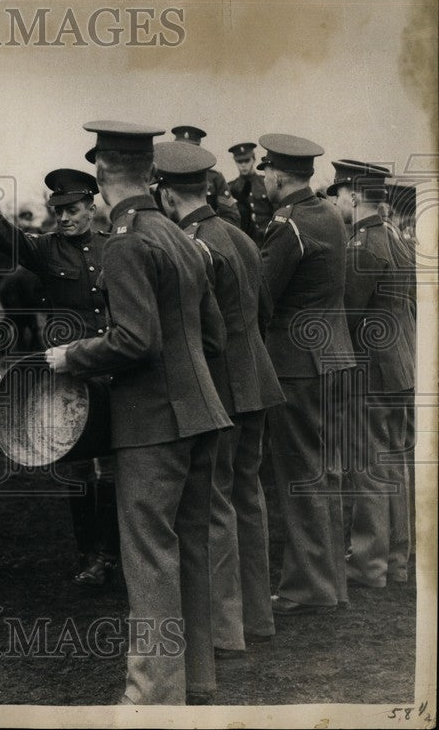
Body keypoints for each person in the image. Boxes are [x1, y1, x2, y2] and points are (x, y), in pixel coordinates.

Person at [46, 121, 231, 705]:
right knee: (190, 550)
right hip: (203, 412)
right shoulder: (179, 235)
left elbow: (134, 341)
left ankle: (152, 695)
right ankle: (194, 679)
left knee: (149, 558)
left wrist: (69, 356)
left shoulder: (125, 241)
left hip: (153, 423)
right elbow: (215, 337)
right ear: (149, 172)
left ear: (101, 174)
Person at [154, 142, 285, 658]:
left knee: (214, 505)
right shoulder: (239, 234)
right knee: (248, 499)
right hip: (256, 380)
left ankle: (226, 630)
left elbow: (198, 332)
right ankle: (258, 617)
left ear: (165, 193)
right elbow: (265, 310)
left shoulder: (192, 245)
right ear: (206, 185)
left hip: (222, 387)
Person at [0, 168, 120, 587]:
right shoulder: (45, 251)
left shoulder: (115, 248)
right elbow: (0, 232)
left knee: (118, 467)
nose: (65, 217)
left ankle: (116, 552)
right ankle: (90, 556)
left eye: (73, 209)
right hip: (71, 377)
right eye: (58, 210)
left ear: (92, 207)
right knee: (78, 468)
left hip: (116, 371)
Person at [257, 134, 355, 615]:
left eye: (266, 173)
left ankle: (308, 587)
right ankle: (330, 581)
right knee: (326, 474)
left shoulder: (288, 224)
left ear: (277, 173)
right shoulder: (329, 213)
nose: (265, 182)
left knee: (300, 476)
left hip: (297, 364)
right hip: (335, 356)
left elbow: (262, 295)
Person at [329, 160, 415, 588]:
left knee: (369, 466)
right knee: (395, 464)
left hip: (373, 372)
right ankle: (396, 560)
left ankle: (368, 564)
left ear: (355, 196)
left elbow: (346, 315)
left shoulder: (362, 246)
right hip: (400, 366)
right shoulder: (396, 238)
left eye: (341, 194)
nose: (338, 202)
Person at [170, 125, 240, 227]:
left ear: (199, 152)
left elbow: (232, 217)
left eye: (191, 150)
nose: (185, 155)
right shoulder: (165, 178)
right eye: (181, 149)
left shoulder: (215, 178)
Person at [227, 142, 275, 242]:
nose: (243, 165)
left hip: (268, 238)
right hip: (244, 241)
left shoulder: (265, 183)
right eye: (239, 162)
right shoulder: (231, 187)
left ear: (253, 159)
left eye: (247, 160)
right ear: (235, 162)